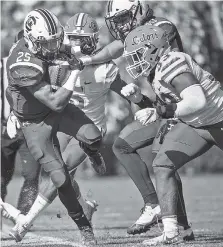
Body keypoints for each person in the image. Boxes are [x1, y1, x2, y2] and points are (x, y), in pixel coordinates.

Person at [4, 12, 134, 242]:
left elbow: (116, 47)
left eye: (57, 40)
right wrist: (75, 70)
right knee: (60, 178)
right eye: (48, 43)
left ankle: (92, 151)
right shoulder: (22, 64)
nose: (55, 46)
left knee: (93, 136)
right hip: (37, 121)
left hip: (57, 111)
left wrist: (85, 60)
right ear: (31, 40)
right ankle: (84, 226)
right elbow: (55, 101)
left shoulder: (49, 42)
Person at [78, 0, 192, 238]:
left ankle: (175, 222)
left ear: (138, 10)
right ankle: (162, 210)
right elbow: (114, 48)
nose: (119, 26)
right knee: (123, 145)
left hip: (183, 104)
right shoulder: (135, 33)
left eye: (122, 19)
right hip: (163, 104)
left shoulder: (162, 26)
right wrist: (86, 61)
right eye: (116, 21)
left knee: (164, 159)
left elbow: (141, 40)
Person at [122, 24, 223, 245]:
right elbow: (162, 106)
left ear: (153, 48)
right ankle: (171, 233)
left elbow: (197, 101)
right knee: (162, 165)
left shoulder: (171, 63)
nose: (135, 60)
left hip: (218, 121)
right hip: (197, 126)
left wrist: (161, 111)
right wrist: (139, 99)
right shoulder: (157, 69)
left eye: (138, 54)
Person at [1, 35, 40, 217]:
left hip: (28, 128)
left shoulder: (41, 66)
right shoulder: (3, 65)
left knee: (32, 175)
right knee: (1, 177)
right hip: (2, 129)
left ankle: (22, 219)